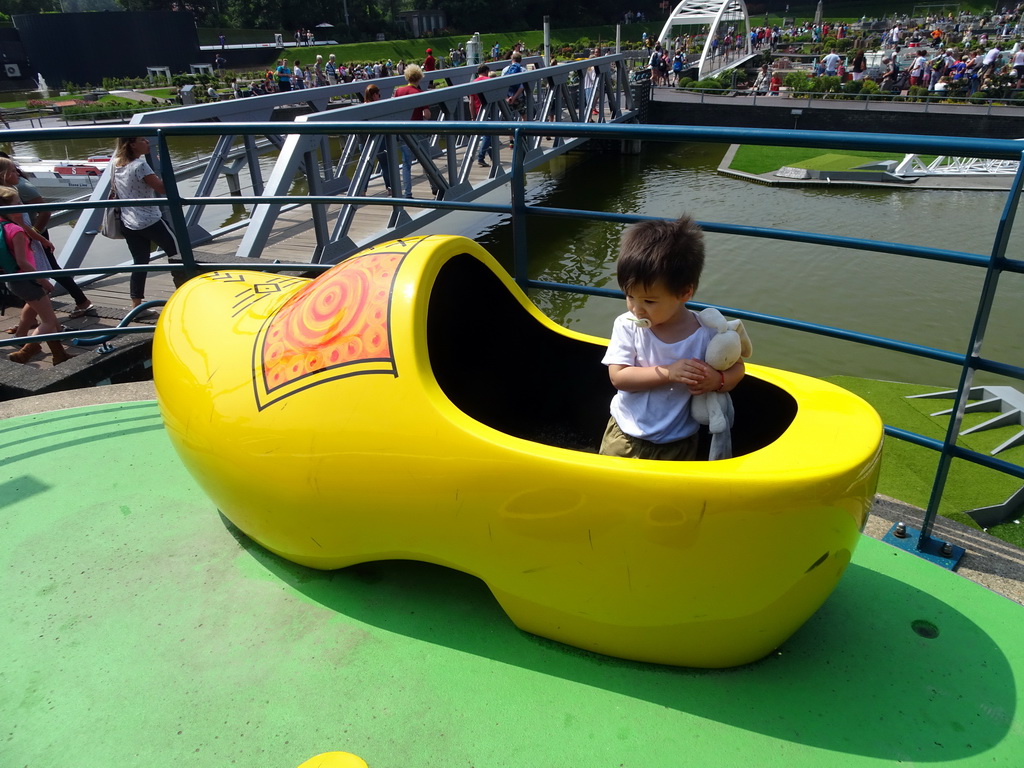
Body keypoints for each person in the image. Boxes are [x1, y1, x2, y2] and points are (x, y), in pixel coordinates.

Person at [599, 215, 744, 460]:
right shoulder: (627, 325)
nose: (637, 309)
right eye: (630, 296)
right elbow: (619, 376)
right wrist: (669, 372)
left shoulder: (706, 331)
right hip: (625, 436)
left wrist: (717, 380)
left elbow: (738, 368)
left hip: (679, 443)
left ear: (684, 293)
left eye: (649, 301)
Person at [0, 154, 93, 319]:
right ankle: (36, 322)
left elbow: (42, 211)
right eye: (13, 171)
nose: (18, 173)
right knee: (37, 279)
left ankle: (47, 318)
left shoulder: (21, 187)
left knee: (42, 276)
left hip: (28, 236)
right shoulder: (7, 191)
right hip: (19, 237)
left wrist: (38, 236)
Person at [0, 185, 70, 365]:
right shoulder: (16, 232)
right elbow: (23, 262)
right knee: (48, 321)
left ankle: (59, 354)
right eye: (18, 203)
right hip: (27, 279)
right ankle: (25, 352)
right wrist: (42, 280)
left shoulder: (4, 226)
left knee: (40, 310)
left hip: (12, 279)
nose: (22, 206)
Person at [110, 136, 178, 309]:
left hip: (128, 221)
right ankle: (182, 293)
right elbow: (163, 189)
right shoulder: (140, 165)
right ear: (132, 144)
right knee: (177, 253)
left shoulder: (116, 163)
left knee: (140, 262)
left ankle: (136, 304)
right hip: (150, 219)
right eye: (142, 140)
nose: (147, 142)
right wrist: (166, 166)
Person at [392, 64, 432, 198]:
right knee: (426, 160)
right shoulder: (420, 93)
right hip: (418, 130)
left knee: (406, 163)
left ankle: (407, 192)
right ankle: (435, 186)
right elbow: (426, 114)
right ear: (419, 78)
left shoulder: (398, 91)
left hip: (404, 130)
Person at [363, 84, 392, 194]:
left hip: (365, 140)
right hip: (379, 140)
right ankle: (390, 187)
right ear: (374, 95)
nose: (379, 96)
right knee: (385, 164)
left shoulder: (361, 107)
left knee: (366, 166)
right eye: (378, 94)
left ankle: (362, 189)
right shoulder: (378, 106)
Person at [470, 64, 493, 167]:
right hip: (488, 111)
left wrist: (473, 116)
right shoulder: (489, 80)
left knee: (489, 135)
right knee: (488, 135)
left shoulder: (473, 83)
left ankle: (493, 157)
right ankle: (481, 157)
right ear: (486, 71)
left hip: (478, 112)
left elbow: (471, 103)